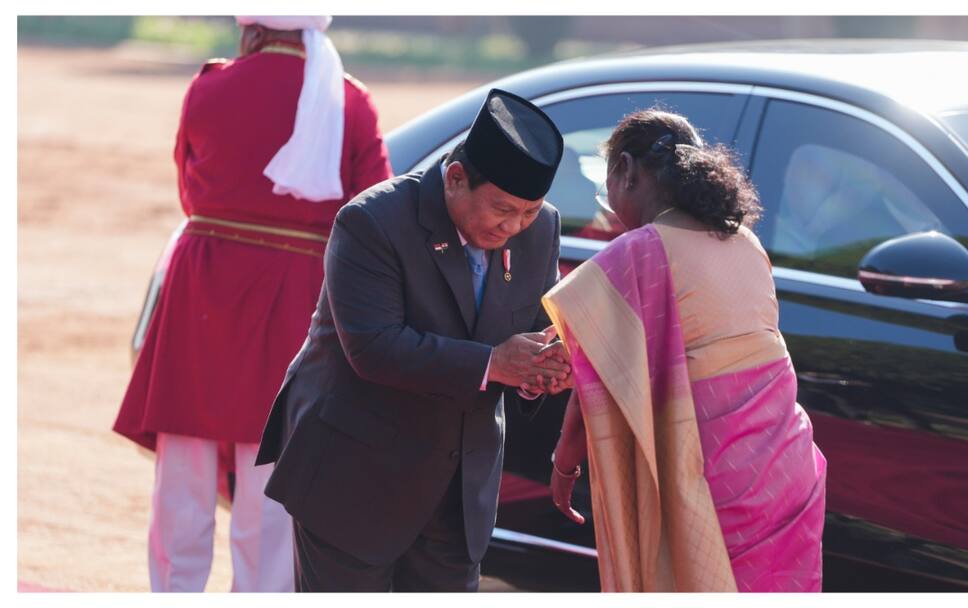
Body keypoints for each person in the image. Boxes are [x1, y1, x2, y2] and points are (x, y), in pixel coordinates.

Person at [112, 15, 393, 592]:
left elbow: (188, 189)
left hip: (203, 284)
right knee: (270, 473)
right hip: (297, 292)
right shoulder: (350, 101)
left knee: (182, 468)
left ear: (253, 30)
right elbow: (374, 210)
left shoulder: (209, 86)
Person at [254, 88, 570, 592]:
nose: (514, 227)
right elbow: (374, 347)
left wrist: (542, 371)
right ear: (456, 178)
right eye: (502, 209)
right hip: (354, 478)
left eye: (529, 212)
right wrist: (494, 364)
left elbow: (534, 327)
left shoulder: (542, 228)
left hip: (458, 493)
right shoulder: (372, 221)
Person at [542, 109, 827, 592]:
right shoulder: (745, 242)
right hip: (786, 471)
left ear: (626, 171)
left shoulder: (637, 254)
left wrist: (564, 465)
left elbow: (593, 381)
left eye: (607, 182)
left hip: (710, 486)